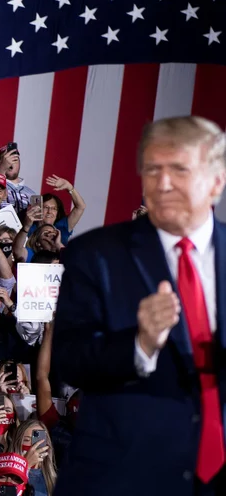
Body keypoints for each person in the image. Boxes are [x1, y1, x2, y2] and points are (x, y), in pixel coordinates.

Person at [52, 116, 226, 495]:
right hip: (124, 478)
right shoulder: (94, 256)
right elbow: (69, 359)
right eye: (152, 170)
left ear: (216, 180)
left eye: (179, 170)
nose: (163, 184)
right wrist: (140, 344)